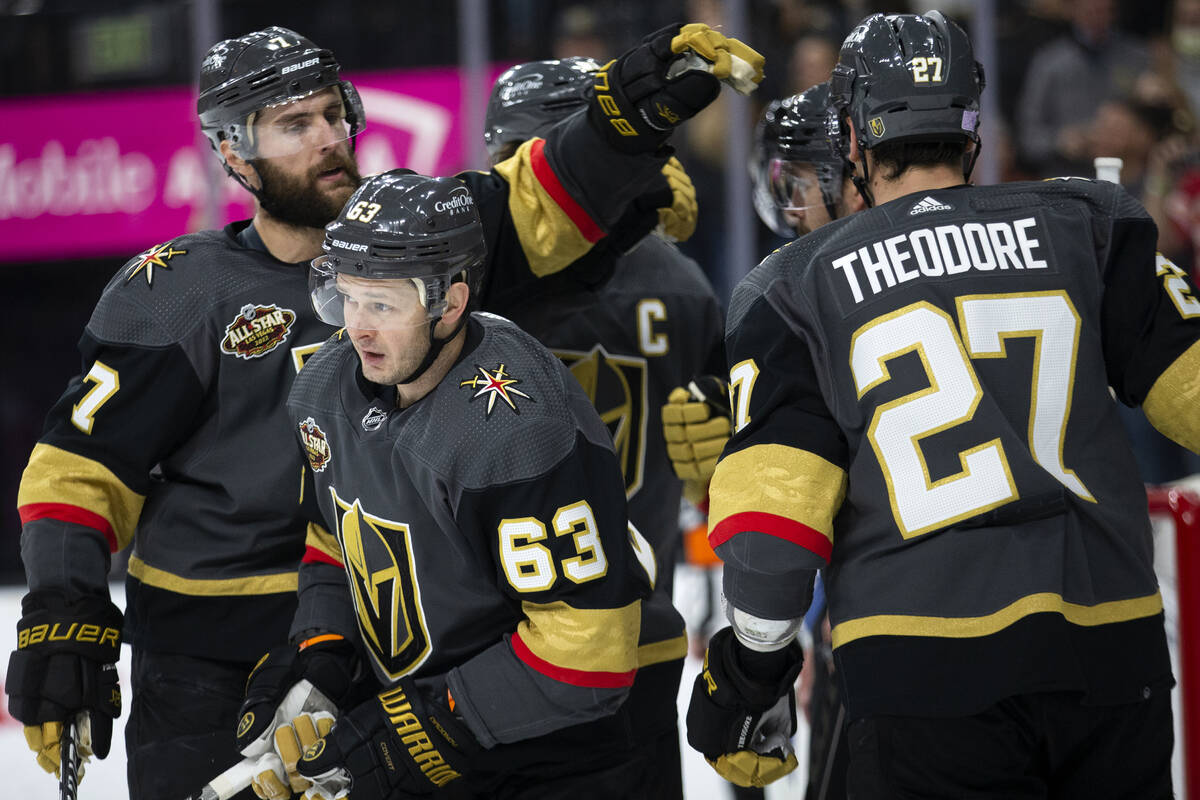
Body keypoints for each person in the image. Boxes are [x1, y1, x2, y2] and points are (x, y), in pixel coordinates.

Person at [7, 20, 764, 799]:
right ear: (232, 151)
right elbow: (80, 468)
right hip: (211, 662)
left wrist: (626, 127)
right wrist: (65, 611)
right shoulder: (177, 290)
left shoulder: (417, 242)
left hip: (382, 642)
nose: (329, 138)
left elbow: (533, 200)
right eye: (294, 124)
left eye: (335, 113)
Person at [686, 9, 1200, 799]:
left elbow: (776, 524)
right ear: (974, 133)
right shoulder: (1090, 225)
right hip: (1111, 652)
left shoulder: (794, 284)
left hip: (922, 668)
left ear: (853, 139)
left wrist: (751, 673)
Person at [255, 169, 677, 799]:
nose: (356, 327)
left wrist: (418, 728)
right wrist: (324, 651)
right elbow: (334, 536)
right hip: (455, 740)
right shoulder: (323, 387)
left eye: (383, 304)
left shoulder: (514, 425)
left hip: (566, 752)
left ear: (450, 303)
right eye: (347, 296)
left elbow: (585, 656)